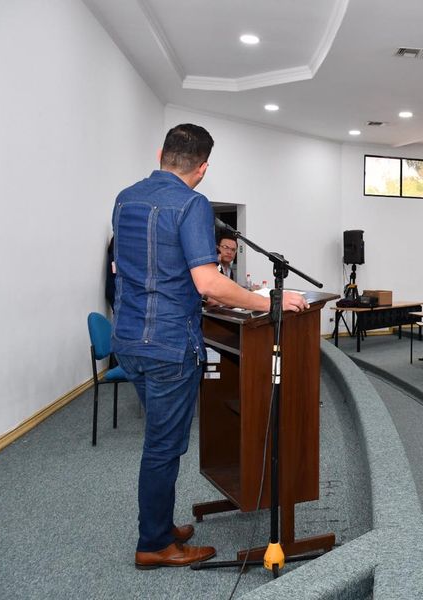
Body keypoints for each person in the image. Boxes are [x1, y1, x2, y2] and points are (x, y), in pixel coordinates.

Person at [112, 123, 309, 569]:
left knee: (158, 442)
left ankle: (160, 526)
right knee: (163, 447)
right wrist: (270, 301)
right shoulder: (192, 203)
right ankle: (154, 544)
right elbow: (208, 282)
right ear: (202, 168)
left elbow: (145, 268)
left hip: (128, 339)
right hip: (168, 346)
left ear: (160, 153)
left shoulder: (125, 198)